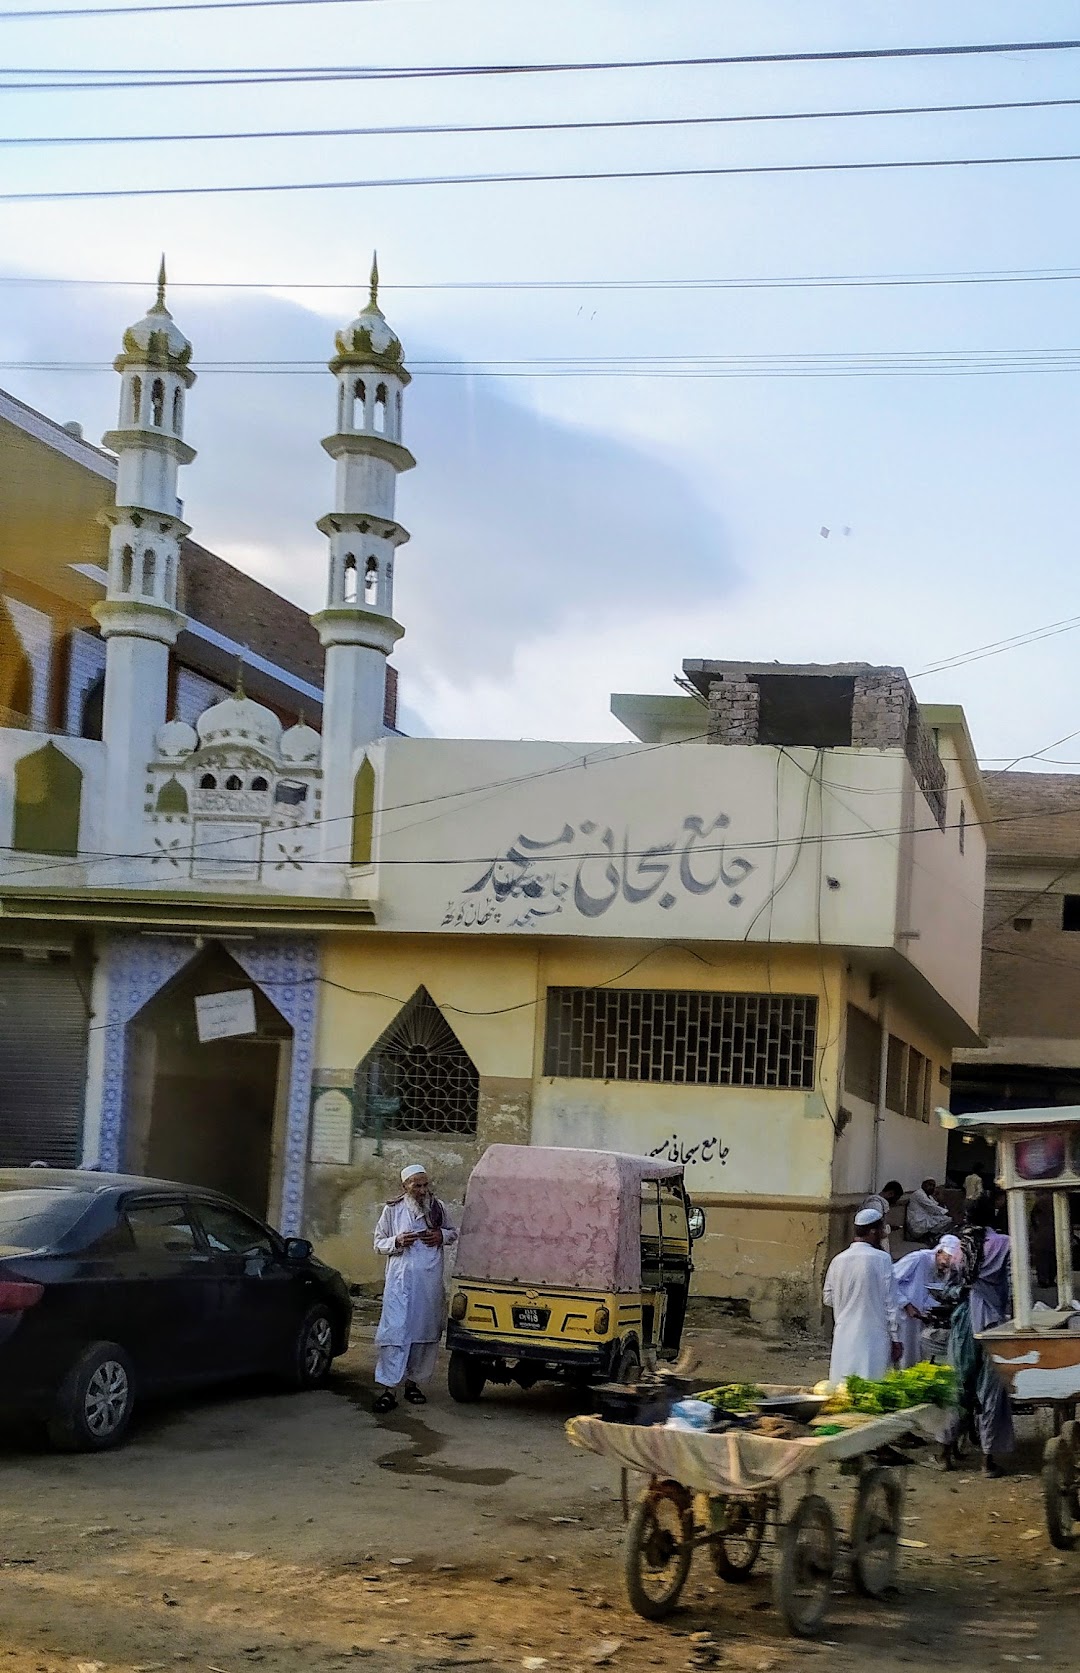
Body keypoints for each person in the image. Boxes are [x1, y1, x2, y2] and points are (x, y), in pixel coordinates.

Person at [372, 1164, 457, 1414]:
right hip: (399, 1285)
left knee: (424, 1334)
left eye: (425, 1185)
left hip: (428, 1284)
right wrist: (396, 1241)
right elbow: (378, 1242)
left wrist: (440, 1235)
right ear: (405, 1187)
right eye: (416, 1185)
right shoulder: (392, 1210)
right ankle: (388, 1390)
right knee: (395, 1334)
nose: (422, 1190)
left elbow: (453, 1233)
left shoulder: (438, 1208)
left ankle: (413, 1384)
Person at [949, 1194, 1014, 1477]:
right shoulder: (1005, 1243)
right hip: (992, 1324)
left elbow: (951, 1285)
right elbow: (1012, 1286)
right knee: (992, 1392)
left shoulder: (960, 1246)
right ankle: (987, 1461)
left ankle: (944, 1451)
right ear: (994, 1214)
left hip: (964, 1320)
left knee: (957, 1386)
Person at [823, 1206, 902, 1382]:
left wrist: (849, 1301)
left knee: (842, 1388)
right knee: (871, 1385)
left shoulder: (838, 1260)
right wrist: (896, 1338)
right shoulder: (882, 1259)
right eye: (882, 1230)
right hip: (874, 1335)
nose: (883, 1234)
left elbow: (828, 1298)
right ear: (873, 1231)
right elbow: (890, 1302)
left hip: (844, 1333)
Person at [893, 1234, 964, 1367]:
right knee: (904, 1356)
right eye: (944, 1263)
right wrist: (906, 1304)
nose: (945, 1268)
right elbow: (891, 1281)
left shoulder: (945, 1270)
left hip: (922, 1318)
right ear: (939, 1252)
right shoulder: (918, 1259)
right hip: (904, 1317)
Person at [860, 1180, 904, 1255]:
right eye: (896, 1198)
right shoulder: (875, 1203)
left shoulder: (880, 1203)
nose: (895, 1202)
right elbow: (874, 1225)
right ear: (890, 1194)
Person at [906, 1178, 953, 1244]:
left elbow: (937, 1206)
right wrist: (949, 1213)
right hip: (918, 1223)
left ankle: (931, 1236)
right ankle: (928, 1236)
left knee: (947, 1219)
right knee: (947, 1219)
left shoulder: (928, 1196)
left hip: (926, 1219)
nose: (932, 1187)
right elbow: (933, 1208)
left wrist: (939, 1197)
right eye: (929, 1185)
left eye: (933, 1186)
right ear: (923, 1185)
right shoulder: (919, 1194)